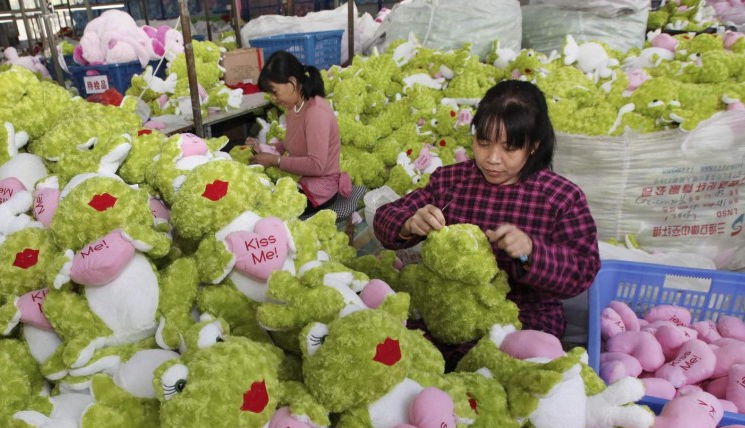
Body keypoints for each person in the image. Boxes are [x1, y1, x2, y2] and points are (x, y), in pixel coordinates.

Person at [373, 79, 600, 344]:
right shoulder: (451, 181)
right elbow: (384, 218)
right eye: (483, 142)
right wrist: (409, 223)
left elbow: (582, 270)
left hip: (524, 320)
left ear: (534, 145)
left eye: (509, 148)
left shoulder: (561, 198)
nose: (492, 158)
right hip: (448, 311)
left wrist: (532, 252)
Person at [247, 50, 350, 216]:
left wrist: (275, 160)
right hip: (303, 181)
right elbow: (290, 143)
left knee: (262, 208)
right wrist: (262, 148)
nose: (273, 98)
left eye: (274, 91)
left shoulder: (316, 112)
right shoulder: (295, 107)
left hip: (319, 192)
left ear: (292, 82)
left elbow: (316, 166)